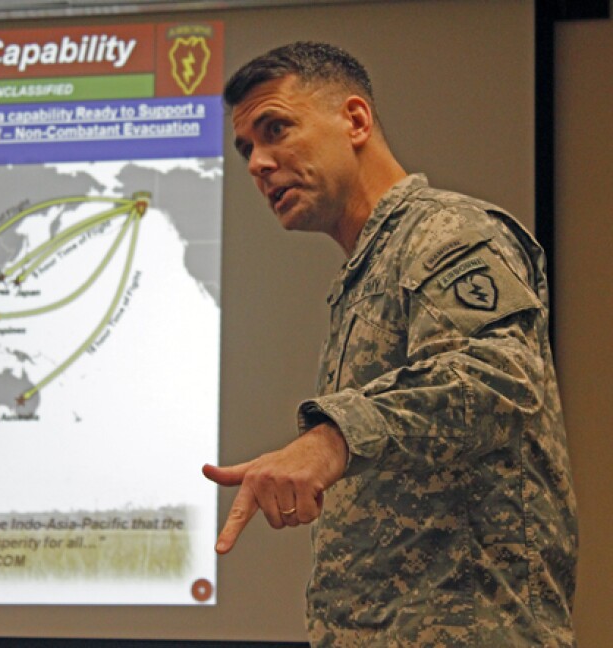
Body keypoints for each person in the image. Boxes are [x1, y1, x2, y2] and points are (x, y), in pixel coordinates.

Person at [202, 42, 578, 646]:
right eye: (248, 148)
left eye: (276, 130)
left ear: (354, 120)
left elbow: (499, 379)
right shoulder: (365, 272)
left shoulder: (448, 233)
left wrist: (334, 437)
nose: (257, 163)